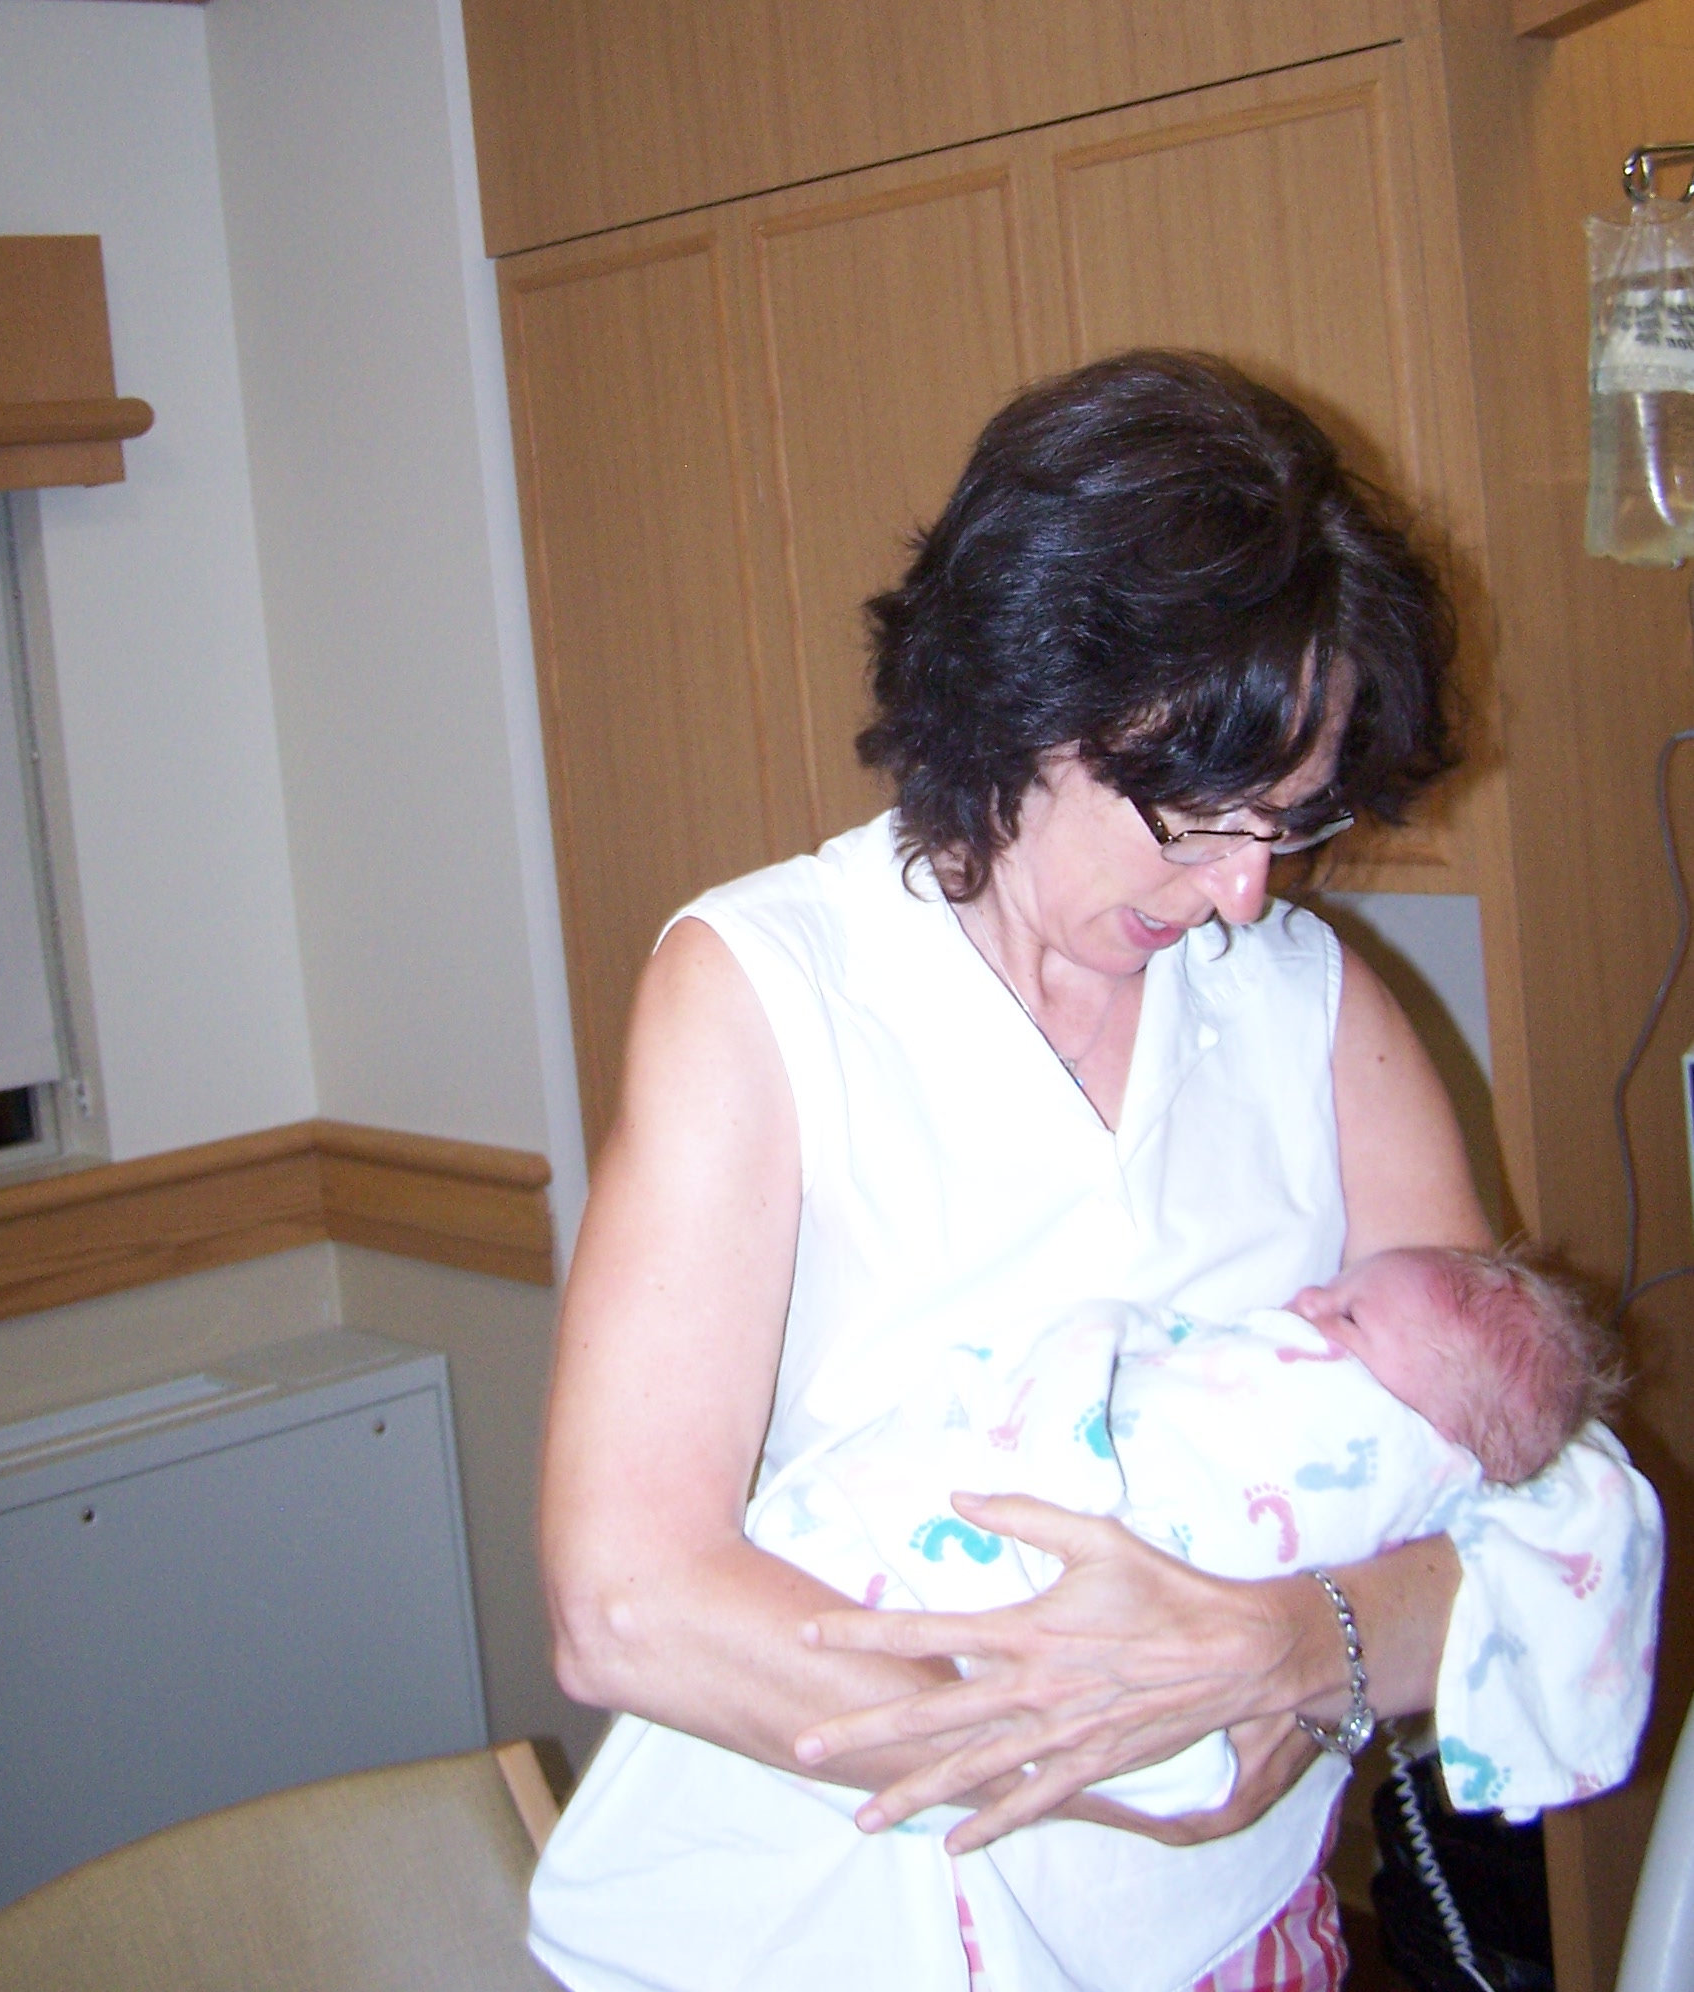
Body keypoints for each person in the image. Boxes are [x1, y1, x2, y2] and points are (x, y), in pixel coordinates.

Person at [531, 354, 1662, 1992]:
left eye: (1291, 825)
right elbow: (627, 1602)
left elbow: (1528, 1494)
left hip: (1244, 1941)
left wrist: (1296, 1654)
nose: (1247, 898)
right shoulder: (771, 991)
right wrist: (1129, 1753)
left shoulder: (1313, 1007)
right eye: (1198, 820)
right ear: (1018, 702)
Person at [746, 1244, 1630, 1837]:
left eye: (1348, 1317)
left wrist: (1292, 1646)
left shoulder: (1412, 1443)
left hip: (1201, 1854)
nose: (1307, 1301)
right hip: (819, 1699)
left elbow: (1536, 1553)